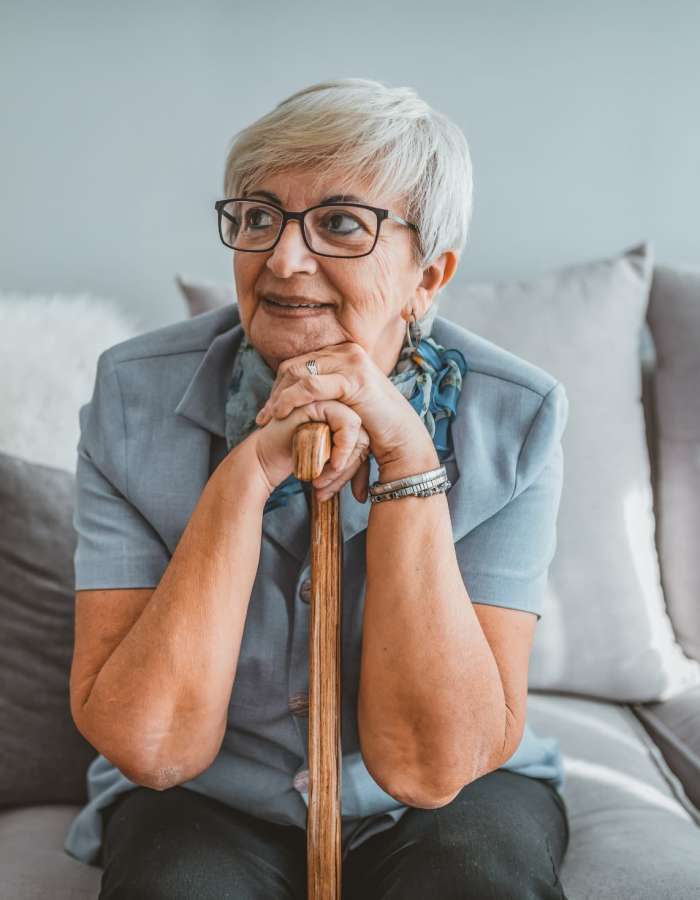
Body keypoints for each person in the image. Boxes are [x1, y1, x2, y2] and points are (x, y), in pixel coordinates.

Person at [65, 77, 571, 899]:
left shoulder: (518, 415)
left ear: (428, 275)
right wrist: (251, 470)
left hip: (451, 800)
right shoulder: (133, 396)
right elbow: (152, 746)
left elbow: (431, 766)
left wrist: (408, 457)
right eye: (259, 216)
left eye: (340, 223)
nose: (282, 258)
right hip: (210, 793)